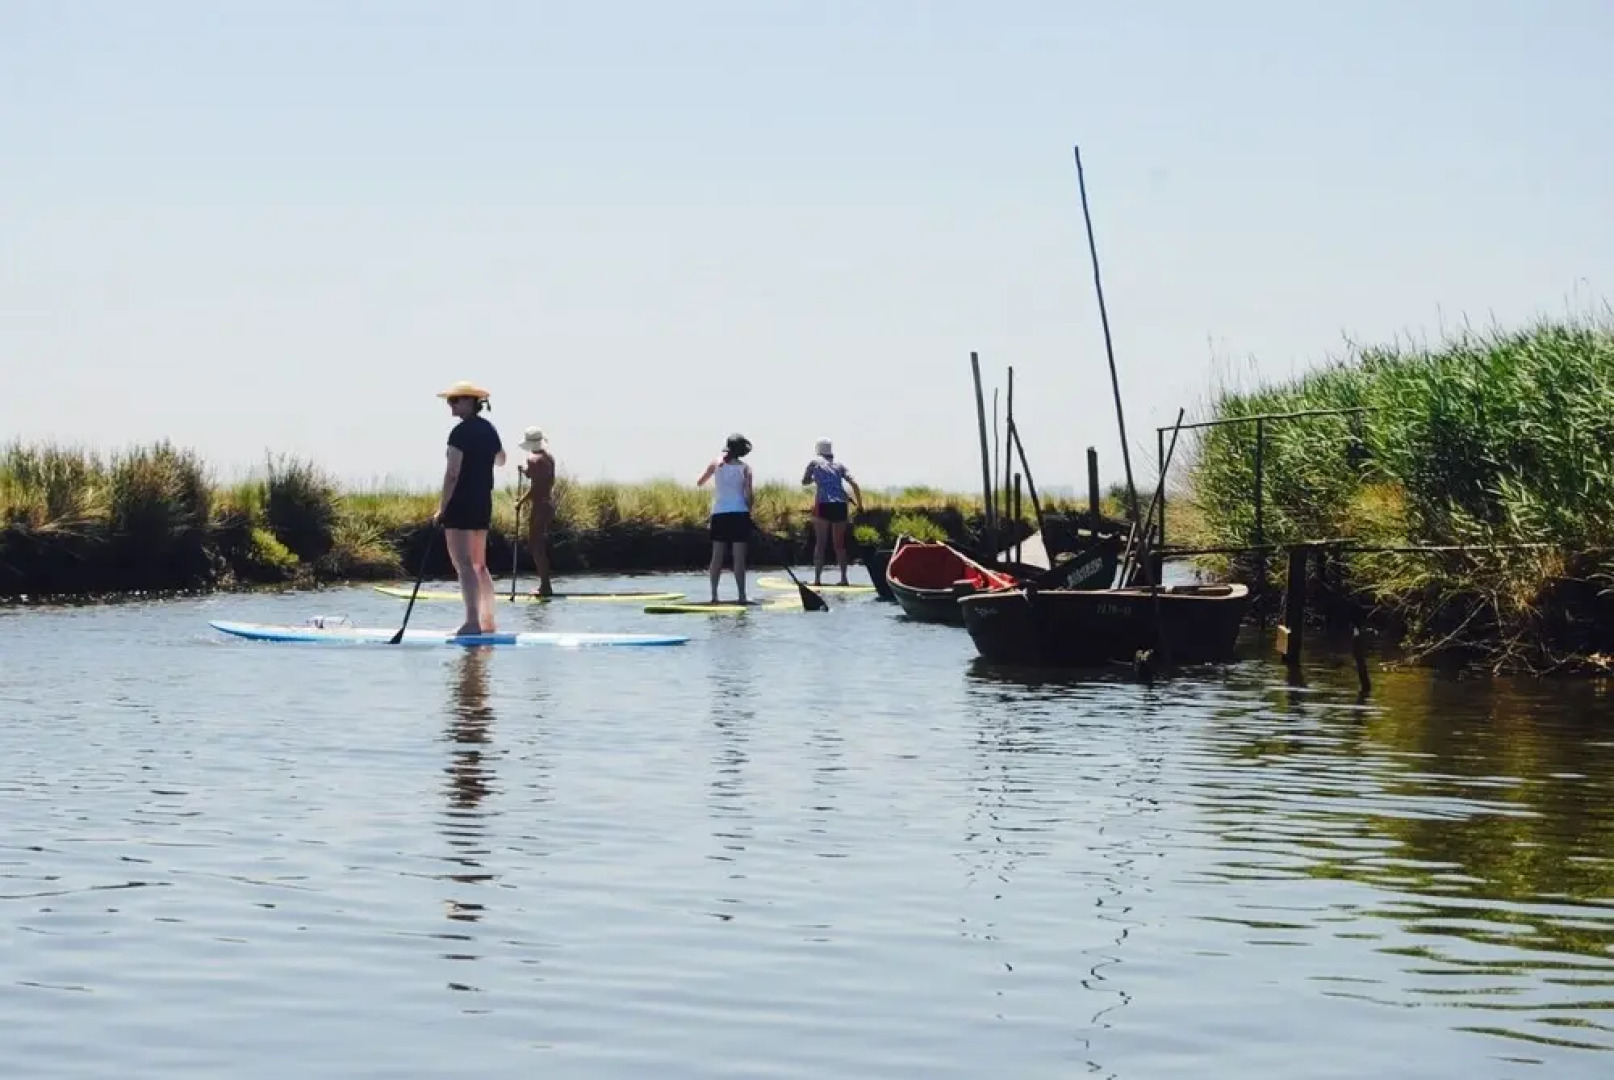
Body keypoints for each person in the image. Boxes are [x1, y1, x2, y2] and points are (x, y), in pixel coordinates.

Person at [433, 381, 506, 635]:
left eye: (454, 401)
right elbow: (501, 459)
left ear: (469, 402)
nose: (450, 406)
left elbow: (452, 473)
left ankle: (472, 623)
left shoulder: (460, 433)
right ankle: (488, 622)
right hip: (482, 502)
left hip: (460, 504)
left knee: (464, 564)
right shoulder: (489, 429)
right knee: (479, 565)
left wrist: (442, 509)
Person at [696, 433, 755, 604]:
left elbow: (700, 482)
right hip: (739, 513)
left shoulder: (716, 463)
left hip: (719, 513)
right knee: (738, 557)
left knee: (717, 556)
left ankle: (714, 596)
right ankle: (742, 596)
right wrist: (749, 511)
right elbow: (749, 495)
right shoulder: (745, 468)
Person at [801, 437, 863, 586]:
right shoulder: (840, 465)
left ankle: (817, 580)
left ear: (818, 450)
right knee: (839, 544)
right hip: (841, 505)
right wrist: (860, 505)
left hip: (823, 504)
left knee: (821, 543)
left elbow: (805, 481)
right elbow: (854, 483)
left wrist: (815, 479)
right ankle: (843, 579)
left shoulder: (814, 463)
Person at [513, 425, 557, 597]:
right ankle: (545, 585)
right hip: (547, 504)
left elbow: (536, 487)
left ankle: (545, 587)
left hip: (540, 506)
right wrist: (524, 471)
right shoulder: (548, 458)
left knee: (535, 546)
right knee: (537, 545)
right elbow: (539, 477)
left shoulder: (533, 459)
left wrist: (520, 502)